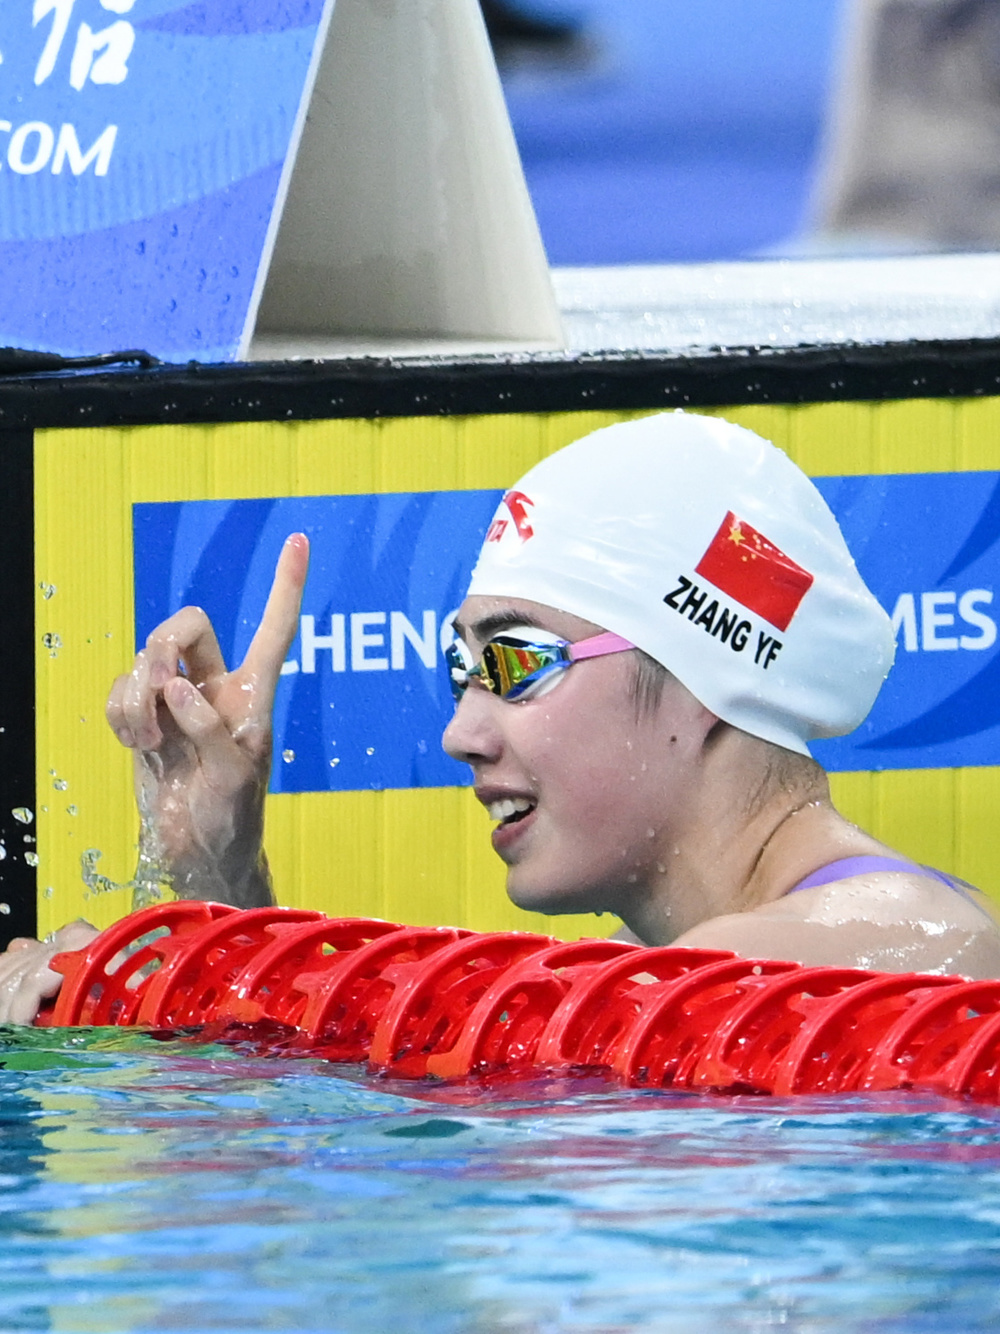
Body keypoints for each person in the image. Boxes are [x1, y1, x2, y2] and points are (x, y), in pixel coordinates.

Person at [4, 411, 1000, 1024]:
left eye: (517, 663)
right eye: (457, 671)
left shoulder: (906, 948)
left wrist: (141, 980)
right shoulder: (649, 977)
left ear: (706, 676)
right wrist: (214, 874)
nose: (459, 732)